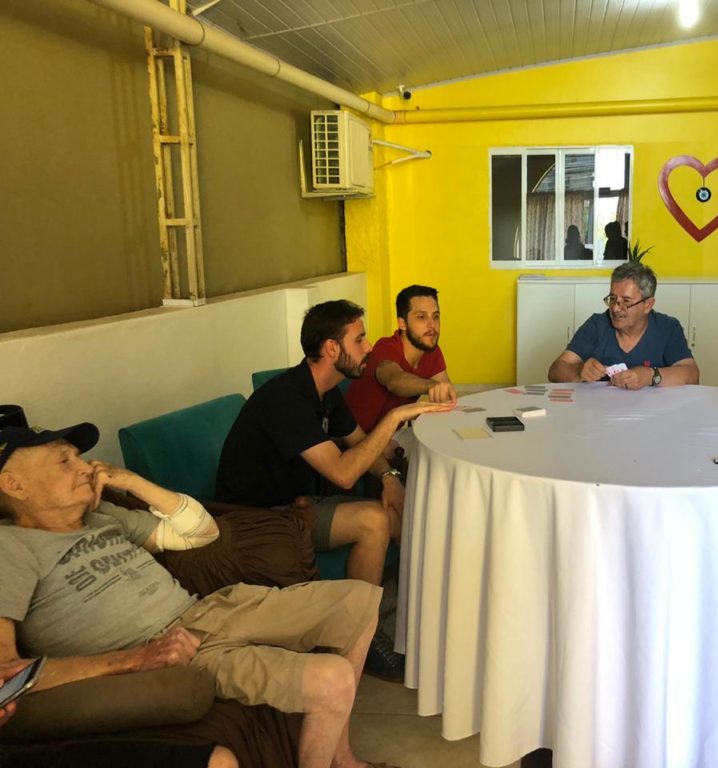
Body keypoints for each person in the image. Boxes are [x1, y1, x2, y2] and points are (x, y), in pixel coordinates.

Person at [0, 423, 392, 768]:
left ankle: (341, 758)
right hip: (172, 644)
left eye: (78, 457)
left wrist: (132, 482)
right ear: (14, 485)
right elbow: (7, 673)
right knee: (332, 680)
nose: (86, 466)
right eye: (64, 460)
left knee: (359, 601)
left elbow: (202, 531)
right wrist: (135, 659)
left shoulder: (102, 516)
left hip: (210, 608)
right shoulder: (10, 547)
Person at [215, 299, 453, 681]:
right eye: (359, 340)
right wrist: (395, 416)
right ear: (331, 348)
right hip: (259, 520)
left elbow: (361, 444)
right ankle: (357, 638)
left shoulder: (326, 392)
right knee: (374, 520)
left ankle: (434, 620)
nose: (369, 347)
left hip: (300, 505)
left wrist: (391, 479)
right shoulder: (287, 399)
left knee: (403, 515)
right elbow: (344, 473)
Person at [548, 262, 700, 389]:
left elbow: (692, 374)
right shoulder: (597, 325)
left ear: (648, 305)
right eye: (613, 299)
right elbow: (555, 370)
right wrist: (579, 371)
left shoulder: (667, 328)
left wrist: (650, 376)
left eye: (626, 301)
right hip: (601, 411)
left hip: (653, 412)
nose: (615, 308)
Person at [344, 285, 456, 433]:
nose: (432, 325)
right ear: (402, 323)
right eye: (421, 317)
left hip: (390, 436)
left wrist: (442, 394)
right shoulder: (386, 347)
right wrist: (431, 386)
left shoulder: (431, 350)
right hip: (354, 440)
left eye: (435, 316)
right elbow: (394, 381)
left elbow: (447, 396)